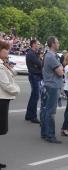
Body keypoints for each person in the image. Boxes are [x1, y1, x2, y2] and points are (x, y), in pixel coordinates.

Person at [0, 40, 20, 169]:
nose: (8, 51)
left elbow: (13, 75)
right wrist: (17, 90)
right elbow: (6, 85)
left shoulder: (3, 64)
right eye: (5, 49)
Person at [40, 36, 64, 143]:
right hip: (53, 86)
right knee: (50, 111)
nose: (59, 44)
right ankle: (50, 135)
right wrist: (61, 68)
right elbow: (60, 72)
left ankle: (45, 133)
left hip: (50, 85)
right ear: (53, 44)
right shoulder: (51, 57)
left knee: (46, 110)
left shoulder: (49, 55)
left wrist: (61, 68)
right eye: (57, 42)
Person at [25, 40, 42, 124]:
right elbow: (40, 63)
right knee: (35, 96)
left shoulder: (33, 53)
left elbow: (39, 63)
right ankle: (33, 116)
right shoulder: (31, 53)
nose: (38, 45)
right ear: (33, 44)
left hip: (35, 75)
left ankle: (28, 115)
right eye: (37, 44)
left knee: (33, 96)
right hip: (34, 76)